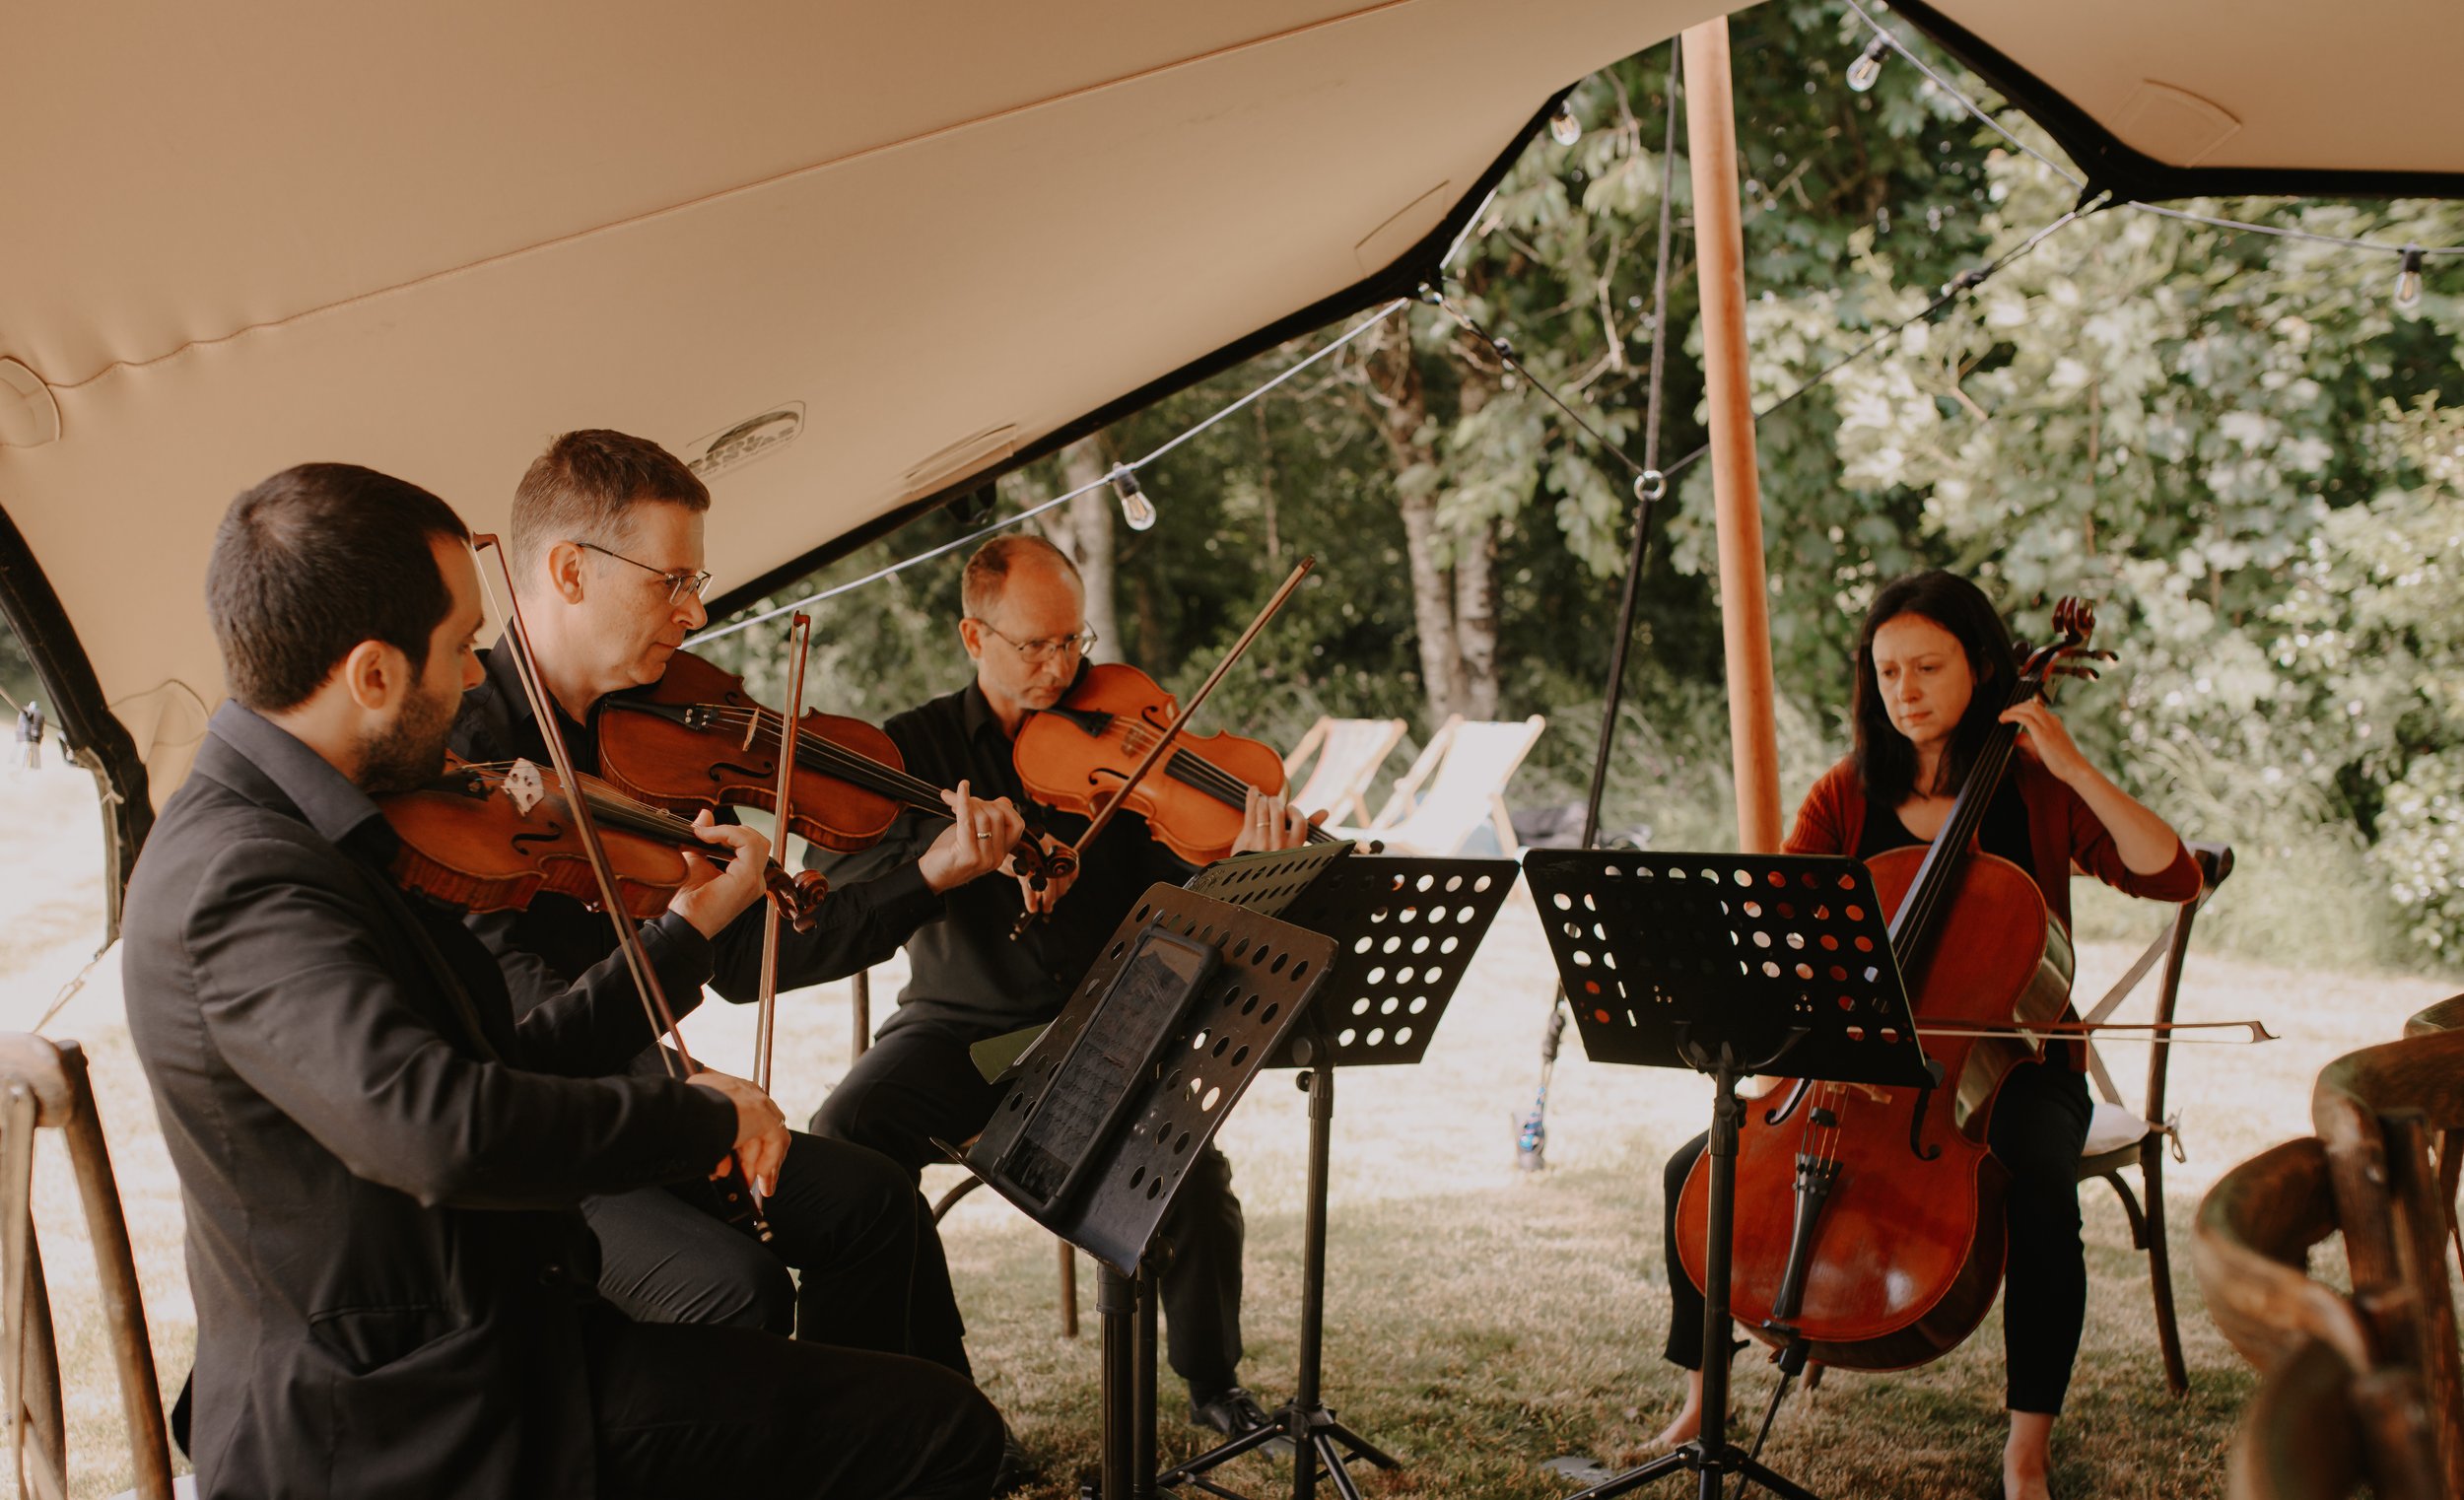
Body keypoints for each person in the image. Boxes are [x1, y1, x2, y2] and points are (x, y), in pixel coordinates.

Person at [121, 462, 1001, 1500]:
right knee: (938, 1433)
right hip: (405, 1417)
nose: (464, 689)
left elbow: (488, 1059)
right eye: (455, 653)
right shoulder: (244, 877)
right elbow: (444, 1128)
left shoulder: (308, 833)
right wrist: (696, 1122)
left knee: (905, 1402)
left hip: (491, 1346)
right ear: (371, 674)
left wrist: (681, 940)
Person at [451, 429, 1027, 1374]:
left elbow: (762, 955)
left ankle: (905, 1450)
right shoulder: (468, 753)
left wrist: (927, 876)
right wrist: (675, 1093)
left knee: (876, 1201)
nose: (696, 609)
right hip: (545, 1142)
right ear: (567, 573)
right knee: (734, 1284)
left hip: (656, 1108)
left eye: (696, 581)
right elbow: (518, 1007)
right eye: (671, 581)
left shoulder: (662, 740)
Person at [1650, 570, 2202, 1500]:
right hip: (1854, 1063)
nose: (1904, 693)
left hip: (2019, 1068)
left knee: (2035, 1185)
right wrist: (1827, 1025)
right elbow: (1786, 922)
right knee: (1694, 1168)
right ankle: (1706, 1400)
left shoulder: (2035, 790)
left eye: (1928, 668)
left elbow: (2173, 875)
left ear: (1984, 667)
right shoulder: (1846, 795)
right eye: (1887, 672)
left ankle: (2026, 1446)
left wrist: (2071, 765)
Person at [808, 533, 1319, 1438]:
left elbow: (1190, 880)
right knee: (849, 1130)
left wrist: (1242, 861)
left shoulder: (1124, 727)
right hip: (965, 1031)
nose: (1062, 667)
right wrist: (942, 861)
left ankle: (1212, 1383)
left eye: (1074, 641)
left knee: (1195, 1178)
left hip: (1114, 1022)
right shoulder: (908, 749)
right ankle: (942, 1396)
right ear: (974, 636)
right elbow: (838, 884)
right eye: (1034, 646)